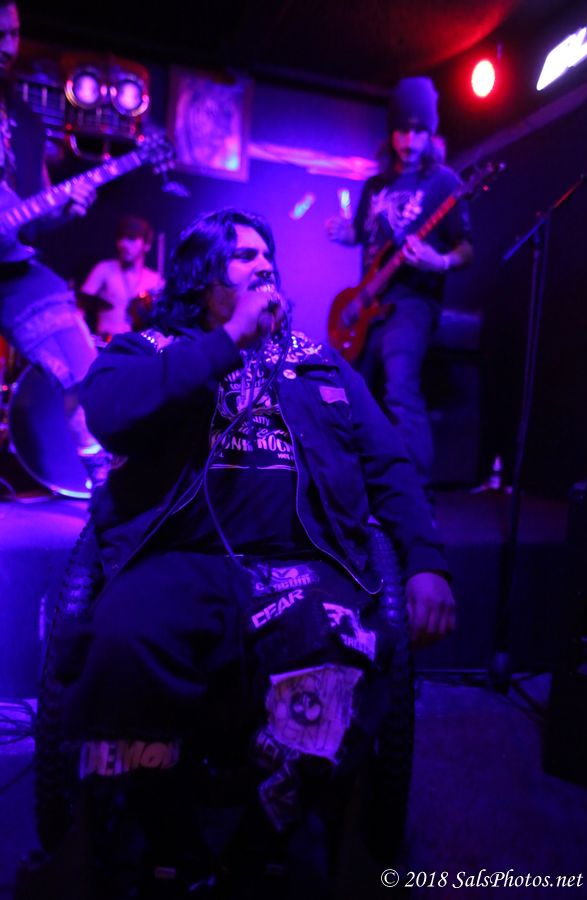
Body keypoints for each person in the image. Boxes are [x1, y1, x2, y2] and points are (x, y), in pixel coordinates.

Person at [57, 208, 455, 899]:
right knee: (121, 642)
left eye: (267, 253)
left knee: (340, 657)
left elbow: (388, 463)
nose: (264, 262)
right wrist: (226, 343)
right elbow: (108, 412)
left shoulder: (317, 361)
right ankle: (174, 847)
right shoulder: (149, 349)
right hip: (178, 560)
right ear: (202, 275)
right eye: (243, 255)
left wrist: (424, 559)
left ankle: (254, 851)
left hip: (303, 564)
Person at [326, 77, 474, 486]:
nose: (409, 141)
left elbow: (467, 249)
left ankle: (416, 496)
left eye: (419, 131)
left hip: (413, 301)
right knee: (352, 392)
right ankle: (355, 486)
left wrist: (438, 260)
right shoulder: (375, 185)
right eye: (402, 131)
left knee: (399, 387)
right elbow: (363, 234)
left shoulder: (444, 182)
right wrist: (345, 233)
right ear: (390, 132)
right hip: (369, 302)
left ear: (431, 134)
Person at [0, 0, 105, 486]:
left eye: (14, 33)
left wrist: (62, 211)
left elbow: (30, 222)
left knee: (82, 367)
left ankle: (103, 489)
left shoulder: (24, 120)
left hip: (13, 273)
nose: (8, 45)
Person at [80, 215, 164, 337]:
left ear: (146, 244)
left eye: (131, 238)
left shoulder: (155, 280)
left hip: (137, 346)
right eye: (121, 238)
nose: (124, 244)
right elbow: (79, 306)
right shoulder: (104, 269)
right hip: (105, 344)